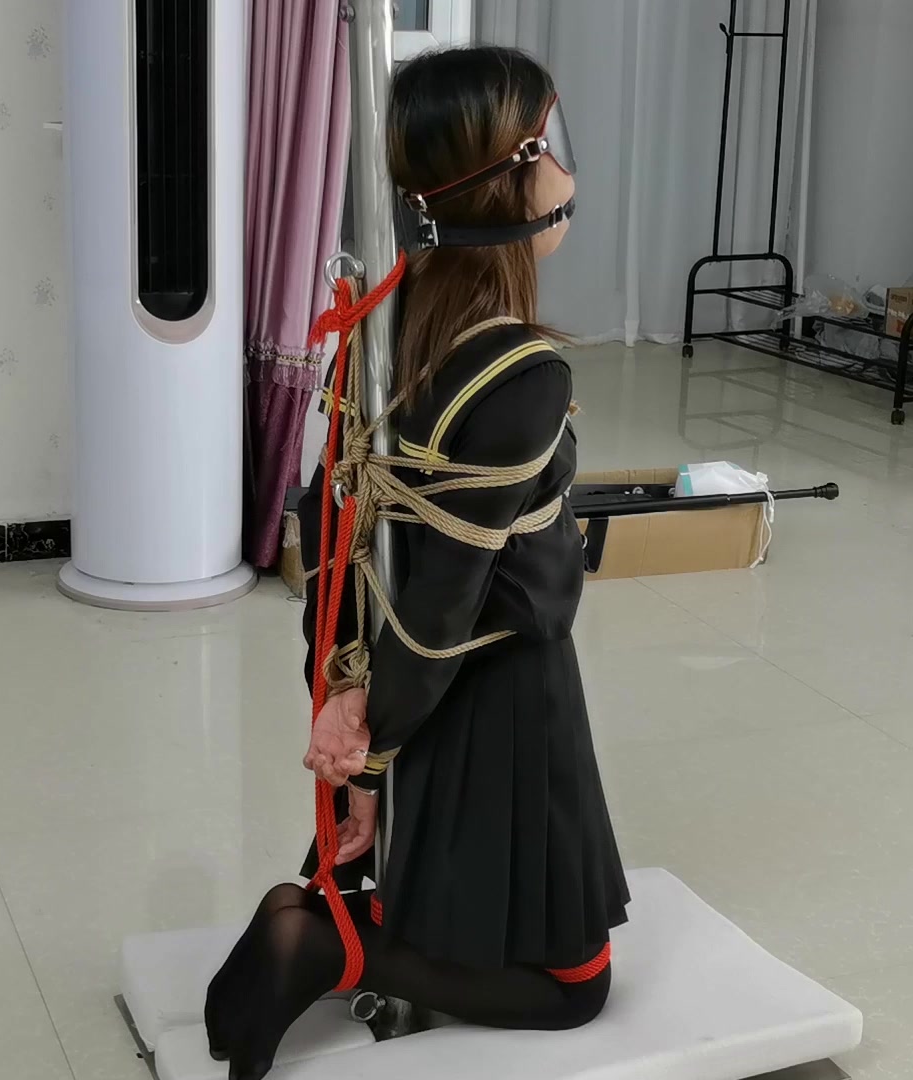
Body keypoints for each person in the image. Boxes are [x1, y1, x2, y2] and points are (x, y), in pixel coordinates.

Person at [205, 46, 627, 1080]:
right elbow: (440, 614)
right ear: (508, 177)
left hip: (403, 696)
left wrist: (352, 717)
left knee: (424, 892)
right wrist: (373, 750)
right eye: (553, 144)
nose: (568, 169)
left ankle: (316, 920)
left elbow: (333, 538)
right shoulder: (519, 373)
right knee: (576, 986)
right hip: (496, 697)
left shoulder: (380, 326)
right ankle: (320, 948)